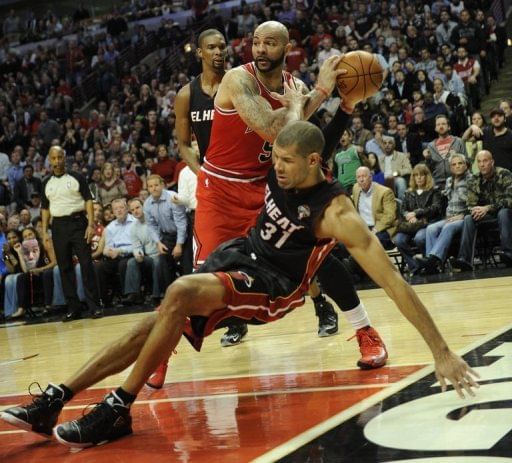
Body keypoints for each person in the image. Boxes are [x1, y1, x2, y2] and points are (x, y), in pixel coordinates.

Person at [0, 121, 479, 449]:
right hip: (243, 255)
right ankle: (57, 399)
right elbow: (297, 110)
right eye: (279, 159)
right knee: (156, 319)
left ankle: (120, 407)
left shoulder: (337, 213)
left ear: (315, 161)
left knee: (179, 292)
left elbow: (396, 283)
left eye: (290, 162)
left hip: (274, 287)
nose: (279, 167)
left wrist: (440, 350)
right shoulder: (284, 156)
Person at [192, 21, 387, 370]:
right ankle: (160, 352)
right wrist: (323, 94)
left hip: (266, 185)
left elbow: (303, 140)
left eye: (270, 43)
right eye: (256, 43)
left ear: (287, 47)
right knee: (200, 285)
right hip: (221, 190)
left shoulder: (294, 88)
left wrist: (343, 104)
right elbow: (271, 128)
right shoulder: (238, 78)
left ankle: (365, 331)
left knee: (319, 255)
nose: (261, 49)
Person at [41, 146, 102, 321]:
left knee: (86, 264)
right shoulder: (46, 182)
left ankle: (94, 306)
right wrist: (45, 232)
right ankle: (73, 308)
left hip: (78, 223)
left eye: (60, 157)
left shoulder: (77, 177)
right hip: (58, 226)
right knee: (65, 267)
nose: (57, 161)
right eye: (53, 158)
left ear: (64, 158)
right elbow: (45, 208)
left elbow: (88, 200)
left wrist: (90, 224)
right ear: (50, 160)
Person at [451, 150, 512, 271]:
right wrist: (475, 210)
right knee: (469, 218)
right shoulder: (474, 179)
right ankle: (464, 260)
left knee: (503, 212)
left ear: (492, 162)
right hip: (488, 216)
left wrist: (488, 208)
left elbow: (510, 199)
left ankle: (508, 254)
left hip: (507, 215)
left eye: (485, 161)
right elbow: (470, 205)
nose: (482, 164)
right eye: (479, 162)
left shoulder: (504, 174)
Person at [416, 153, 472, 274]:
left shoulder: (471, 179)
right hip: (449, 217)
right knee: (431, 228)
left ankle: (434, 259)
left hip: (464, 217)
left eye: (460, 163)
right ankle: (432, 266)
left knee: (448, 226)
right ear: (450, 168)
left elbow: (475, 202)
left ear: (466, 165)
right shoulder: (449, 180)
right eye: (454, 164)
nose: (457, 166)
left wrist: (462, 215)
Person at [393, 164, 444, 274]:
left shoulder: (434, 191)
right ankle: (416, 265)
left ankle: (429, 264)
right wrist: (408, 215)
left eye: (422, 175)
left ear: (427, 176)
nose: (419, 178)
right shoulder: (408, 192)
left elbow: (435, 208)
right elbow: (403, 210)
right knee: (398, 240)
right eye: (416, 175)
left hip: (426, 223)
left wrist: (416, 213)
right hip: (410, 225)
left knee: (419, 238)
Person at [352, 166, 397, 250]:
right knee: (345, 241)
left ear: (370, 177)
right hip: (363, 228)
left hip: (381, 228)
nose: (361, 180)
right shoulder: (356, 188)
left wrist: (375, 230)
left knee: (368, 243)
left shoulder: (385, 192)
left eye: (364, 176)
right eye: (359, 177)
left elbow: (390, 216)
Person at [423, 115, 467, 188]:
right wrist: (427, 158)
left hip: (458, 181)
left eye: (443, 124)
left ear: (449, 127)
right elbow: (429, 169)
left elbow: (467, 162)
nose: (441, 126)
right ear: (435, 128)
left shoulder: (458, 141)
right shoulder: (430, 146)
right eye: (438, 124)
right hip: (438, 184)